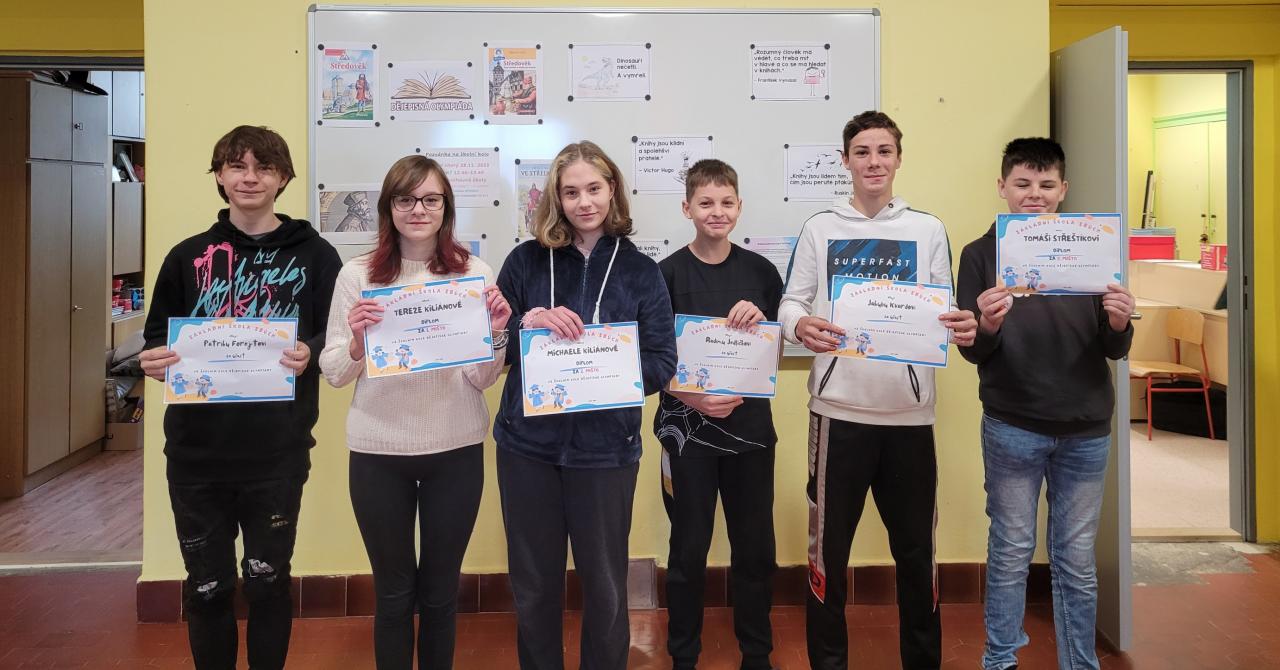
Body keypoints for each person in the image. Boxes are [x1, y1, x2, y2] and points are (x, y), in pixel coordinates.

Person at [778, 110, 978, 670]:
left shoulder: (927, 229)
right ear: (845, 161)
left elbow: (945, 309)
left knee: (917, 554)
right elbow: (791, 302)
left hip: (910, 417)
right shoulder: (820, 228)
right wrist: (799, 325)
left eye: (884, 151)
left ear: (898, 159)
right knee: (828, 554)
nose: (873, 162)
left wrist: (962, 325)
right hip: (837, 415)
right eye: (862, 152)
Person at [139, 125, 342, 670]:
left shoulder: (317, 256)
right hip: (196, 457)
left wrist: (310, 349)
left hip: (277, 453)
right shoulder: (187, 257)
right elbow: (157, 338)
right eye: (237, 166)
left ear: (283, 178)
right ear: (220, 176)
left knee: (268, 584)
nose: (250, 178)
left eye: (264, 167)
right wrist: (155, 361)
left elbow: (339, 333)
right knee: (207, 588)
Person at [318, 155, 511, 670]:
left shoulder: (474, 273)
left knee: (442, 592)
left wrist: (494, 334)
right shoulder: (357, 275)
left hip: (456, 449)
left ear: (446, 207)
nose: (418, 210)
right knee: (394, 592)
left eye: (431, 199)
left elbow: (482, 378)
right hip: (378, 452)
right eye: (406, 199)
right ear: (389, 207)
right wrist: (357, 342)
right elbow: (334, 372)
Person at [493, 140, 676, 670]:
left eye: (594, 189)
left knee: (605, 584)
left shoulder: (641, 271)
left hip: (606, 451)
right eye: (571, 192)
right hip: (527, 447)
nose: (584, 202)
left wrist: (608, 373)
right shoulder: (525, 261)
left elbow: (662, 361)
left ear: (612, 190)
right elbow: (492, 341)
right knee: (533, 583)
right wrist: (526, 322)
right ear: (556, 197)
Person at [957, 137, 1134, 670]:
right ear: (1002, 187)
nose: (1034, 194)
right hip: (1012, 422)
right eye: (1022, 184)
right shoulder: (980, 254)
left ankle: (1080, 662)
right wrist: (988, 325)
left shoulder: (1094, 246)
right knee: (1011, 551)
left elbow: (1115, 347)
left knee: (1076, 559)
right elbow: (973, 350)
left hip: (1087, 426)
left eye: (1046, 184)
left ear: (1063, 189)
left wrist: (1120, 321)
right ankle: (1000, 659)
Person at [654, 159, 784, 670]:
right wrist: (691, 397)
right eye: (705, 202)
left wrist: (761, 327)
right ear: (686, 208)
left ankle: (757, 652)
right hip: (686, 437)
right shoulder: (665, 274)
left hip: (750, 436)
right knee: (688, 550)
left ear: (739, 207)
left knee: (755, 550)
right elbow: (653, 359)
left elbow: (774, 355)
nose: (717, 211)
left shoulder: (762, 273)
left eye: (727, 202)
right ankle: (683, 654)